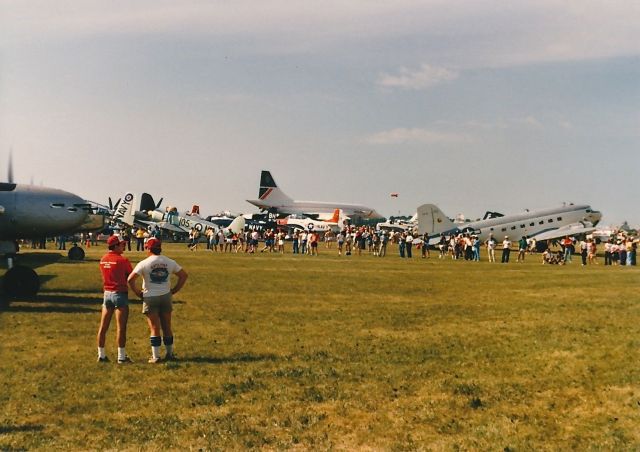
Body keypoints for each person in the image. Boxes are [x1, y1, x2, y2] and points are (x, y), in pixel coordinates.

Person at [127, 238, 188, 363]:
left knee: (154, 327)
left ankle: (156, 356)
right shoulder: (169, 261)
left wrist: (138, 292)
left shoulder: (144, 263)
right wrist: (174, 290)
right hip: (165, 295)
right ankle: (170, 354)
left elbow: (130, 279)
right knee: (167, 326)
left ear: (148, 248)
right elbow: (183, 275)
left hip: (150, 296)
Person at [97, 235, 133, 364]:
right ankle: (121, 357)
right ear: (116, 246)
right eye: (121, 245)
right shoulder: (123, 260)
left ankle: (101, 355)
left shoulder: (103, 259)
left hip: (107, 293)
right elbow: (130, 275)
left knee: (103, 326)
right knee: (121, 327)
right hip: (120, 293)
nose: (123, 246)